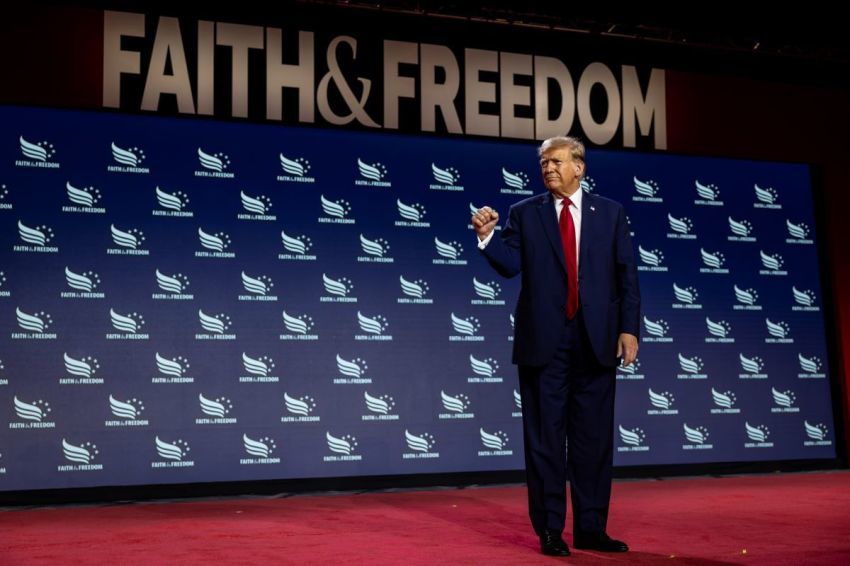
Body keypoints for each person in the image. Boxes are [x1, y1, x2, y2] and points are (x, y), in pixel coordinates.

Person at [471, 136, 640, 557]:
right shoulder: (525, 214)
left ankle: (591, 529)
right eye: (543, 162)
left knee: (593, 440)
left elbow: (627, 278)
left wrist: (629, 329)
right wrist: (488, 237)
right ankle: (550, 531)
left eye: (556, 161)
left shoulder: (611, 214)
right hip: (544, 342)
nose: (547, 168)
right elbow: (510, 266)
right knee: (546, 441)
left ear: (579, 167)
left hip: (596, 340)